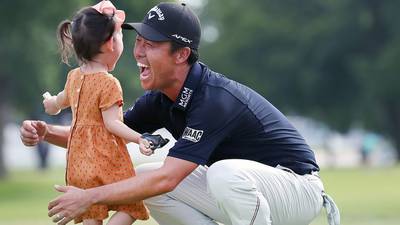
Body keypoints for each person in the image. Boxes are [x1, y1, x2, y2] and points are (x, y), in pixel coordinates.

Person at [20, 2, 340, 225]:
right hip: (249, 191)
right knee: (142, 178)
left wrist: (89, 196)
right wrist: (46, 132)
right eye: (138, 41)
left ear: (182, 54)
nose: (138, 52)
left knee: (215, 173)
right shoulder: (159, 98)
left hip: (297, 189)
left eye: (151, 44)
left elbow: (170, 177)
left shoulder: (214, 97)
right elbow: (102, 134)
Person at [38, 1, 168, 224]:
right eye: (120, 38)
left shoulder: (74, 78)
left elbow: (56, 104)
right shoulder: (109, 83)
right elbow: (112, 124)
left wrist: (49, 102)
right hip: (106, 158)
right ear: (110, 44)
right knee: (133, 203)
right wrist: (140, 138)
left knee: (91, 213)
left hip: (78, 164)